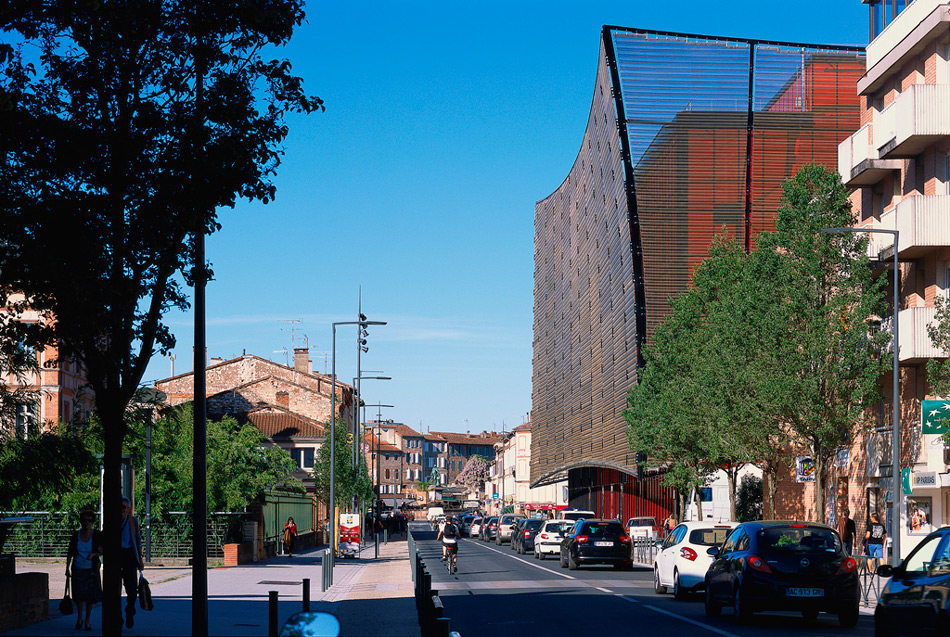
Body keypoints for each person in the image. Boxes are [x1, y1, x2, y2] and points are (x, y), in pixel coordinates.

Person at [66, 510, 103, 631]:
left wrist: (94, 554)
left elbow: (103, 550)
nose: (87, 523)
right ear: (81, 522)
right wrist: (67, 568)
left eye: (90, 520)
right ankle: (80, 618)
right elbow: (70, 552)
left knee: (90, 597)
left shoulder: (97, 535)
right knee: (79, 597)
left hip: (91, 570)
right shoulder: (76, 535)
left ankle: (87, 620)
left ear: (93, 522)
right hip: (78, 569)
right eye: (85, 520)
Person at [119, 497, 143, 629]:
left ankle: (129, 610)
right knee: (114, 589)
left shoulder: (133, 521)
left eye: (124, 507)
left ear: (128, 509)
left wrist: (140, 559)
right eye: (120, 507)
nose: (121, 510)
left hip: (129, 555)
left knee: (132, 589)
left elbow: (138, 541)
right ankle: (118, 616)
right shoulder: (112, 521)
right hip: (117, 556)